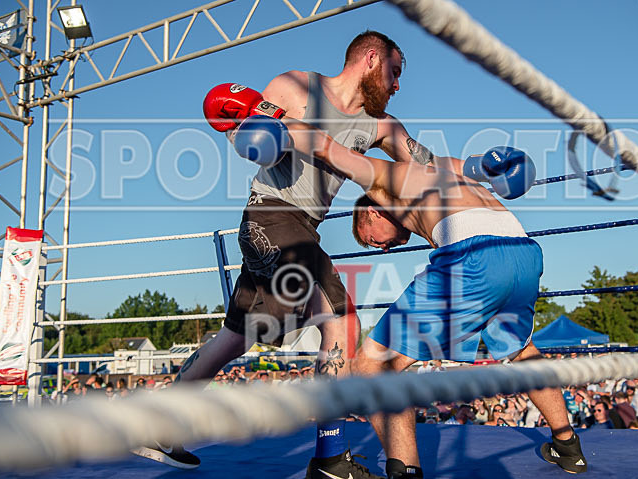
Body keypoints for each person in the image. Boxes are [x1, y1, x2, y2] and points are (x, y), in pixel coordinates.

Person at [138, 31, 441, 478]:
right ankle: (329, 458)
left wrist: (474, 171)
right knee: (341, 320)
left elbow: (425, 167)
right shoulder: (295, 87)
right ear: (372, 59)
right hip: (272, 215)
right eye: (395, 73)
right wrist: (257, 133)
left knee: (236, 336)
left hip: (296, 227)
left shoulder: (383, 126)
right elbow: (248, 140)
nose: (397, 85)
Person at [233, 110, 584, 475]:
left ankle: (405, 471)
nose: (384, 249)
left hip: (471, 254)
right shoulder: (436, 168)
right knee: (521, 349)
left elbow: (325, 148)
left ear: (372, 213)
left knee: (373, 366)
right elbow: (480, 167)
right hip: (523, 252)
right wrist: (494, 163)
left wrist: (275, 123)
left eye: (372, 242)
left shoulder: (381, 177)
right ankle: (568, 446)